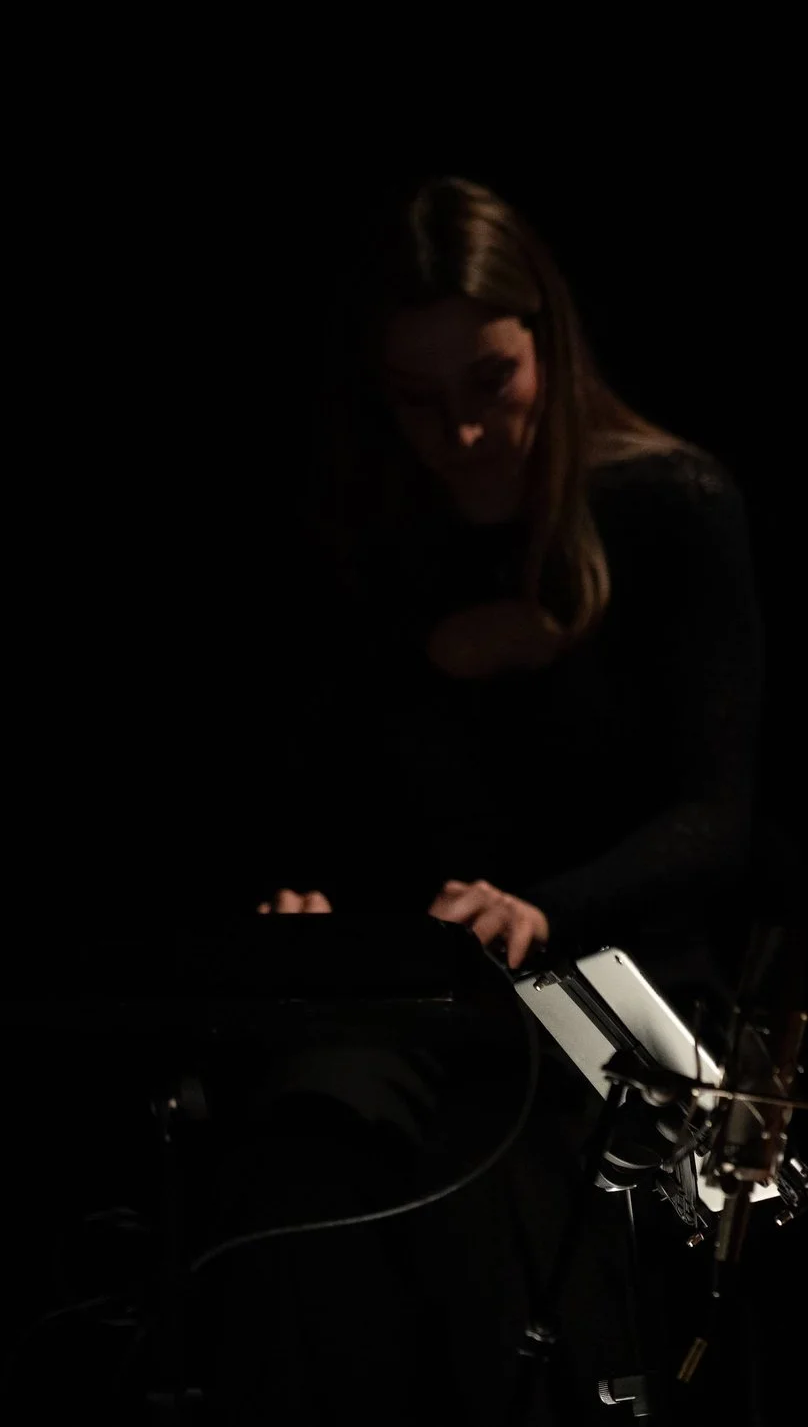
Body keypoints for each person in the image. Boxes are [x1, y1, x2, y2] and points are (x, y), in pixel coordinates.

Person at [216, 175, 778, 1423]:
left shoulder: (667, 505)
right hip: (422, 993)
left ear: (548, 345)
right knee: (301, 1171)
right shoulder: (374, 529)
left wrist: (539, 902)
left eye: (490, 384)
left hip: (609, 984)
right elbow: (333, 792)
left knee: (489, 1188)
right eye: (418, 401)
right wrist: (310, 896)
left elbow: (715, 821)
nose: (462, 433)